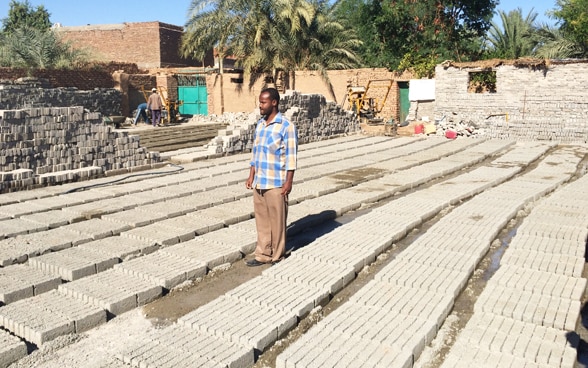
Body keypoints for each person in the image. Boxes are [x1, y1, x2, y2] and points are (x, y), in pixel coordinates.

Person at [245, 88, 298, 267]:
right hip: (260, 181)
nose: (260, 106)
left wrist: (288, 182)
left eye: (263, 102)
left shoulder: (286, 126)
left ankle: (277, 255)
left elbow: (291, 157)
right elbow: (255, 152)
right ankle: (263, 254)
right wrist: (251, 175)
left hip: (276, 183)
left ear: (274, 102)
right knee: (262, 221)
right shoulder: (260, 125)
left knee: (277, 222)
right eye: (259, 102)